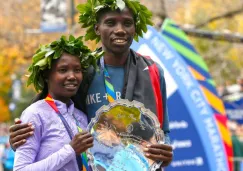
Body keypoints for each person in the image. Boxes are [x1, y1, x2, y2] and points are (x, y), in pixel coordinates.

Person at [9, 0, 173, 168]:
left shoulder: (152, 71)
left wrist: (165, 152)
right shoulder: (84, 71)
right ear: (97, 28)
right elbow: (56, 117)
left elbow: (163, 130)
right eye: (110, 22)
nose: (119, 30)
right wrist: (22, 139)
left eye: (127, 23)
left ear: (135, 28)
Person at [13, 35, 102, 170]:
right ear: (46, 76)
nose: (72, 76)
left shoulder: (81, 117)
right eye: (63, 70)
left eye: (77, 70)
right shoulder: (35, 115)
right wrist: (70, 150)